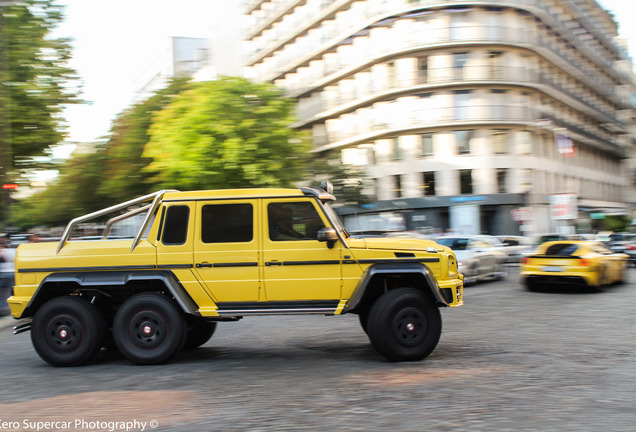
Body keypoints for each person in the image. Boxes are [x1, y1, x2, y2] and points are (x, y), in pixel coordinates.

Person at [0, 236, 15, 317]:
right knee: (9, 292)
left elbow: (4, 259)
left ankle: (3, 308)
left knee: (3, 293)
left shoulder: (3, 251)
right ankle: (8, 308)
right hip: (11, 273)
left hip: (4, 274)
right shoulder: (13, 250)